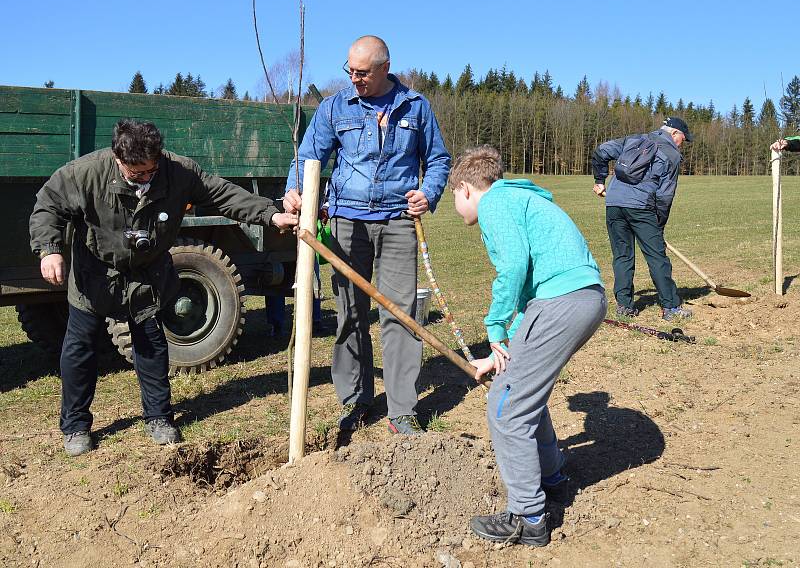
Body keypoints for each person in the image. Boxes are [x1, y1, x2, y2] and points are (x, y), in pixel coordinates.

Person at [29, 119, 298, 456]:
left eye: (150, 170)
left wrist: (270, 216)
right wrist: (49, 249)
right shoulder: (84, 173)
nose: (145, 178)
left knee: (152, 346)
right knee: (79, 349)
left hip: (147, 277)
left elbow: (223, 195)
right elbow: (47, 206)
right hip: (94, 277)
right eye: (137, 173)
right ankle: (76, 425)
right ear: (118, 159)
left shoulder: (178, 172)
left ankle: (159, 417)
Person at [282, 35, 451, 435]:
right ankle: (356, 400)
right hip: (345, 221)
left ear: (383, 69)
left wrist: (428, 193)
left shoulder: (416, 107)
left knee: (400, 313)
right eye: (350, 70)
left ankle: (402, 409)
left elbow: (439, 159)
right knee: (350, 314)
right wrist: (295, 189)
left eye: (361, 72)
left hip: (396, 221)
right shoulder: (335, 107)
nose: (353, 78)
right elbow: (309, 156)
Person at [449, 145, 606, 547]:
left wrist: (494, 325)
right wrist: (500, 354)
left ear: (466, 188)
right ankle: (552, 475)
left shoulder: (496, 202)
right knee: (521, 388)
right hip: (579, 297)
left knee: (506, 406)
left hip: (563, 301)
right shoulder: (519, 197)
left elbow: (513, 268)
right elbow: (529, 295)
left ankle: (527, 517)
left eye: (453, 196)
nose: (455, 206)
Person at [592, 116, 693, 321]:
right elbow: (665, 196)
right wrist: (659, 226)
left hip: (614, 204)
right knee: (657, 258)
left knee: (622, 255)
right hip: (641, 207)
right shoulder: (671, 153)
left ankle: (624, 306)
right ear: (674, 133)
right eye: (684, 139)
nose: (683, 144)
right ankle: (670, 307)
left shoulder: (634, 139)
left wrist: (600, 181)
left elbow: (601, 151)